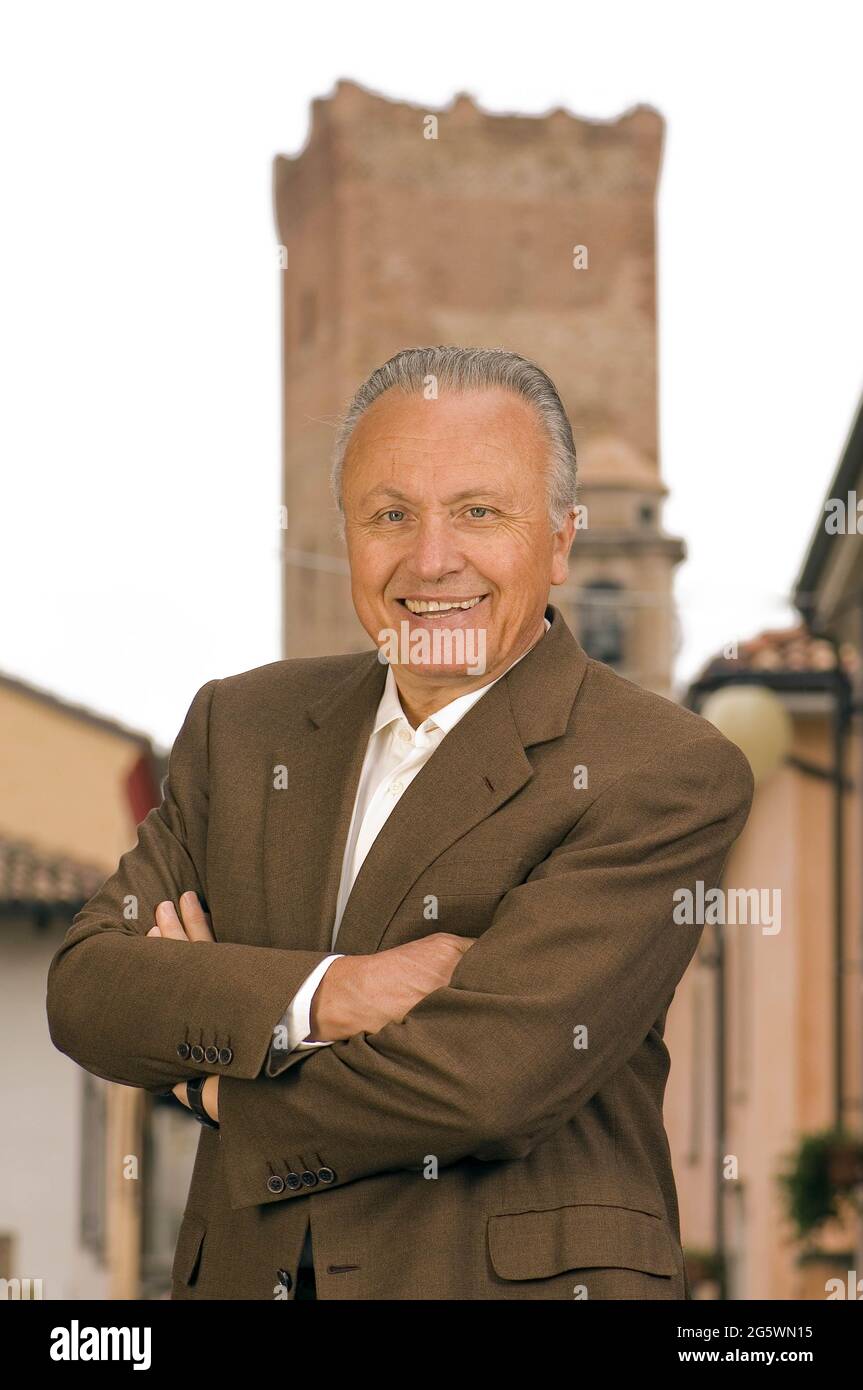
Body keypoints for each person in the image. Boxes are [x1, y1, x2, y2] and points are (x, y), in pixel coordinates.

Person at [47, 345, 753, 1300]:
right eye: (390, 515)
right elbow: (91, 989)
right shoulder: (241, 727)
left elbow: (488, 1081)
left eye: (477, 511)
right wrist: (335, 994)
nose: (430, 560)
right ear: (346, 535)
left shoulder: (664, 769)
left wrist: (214, 1081)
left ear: (559, 540)